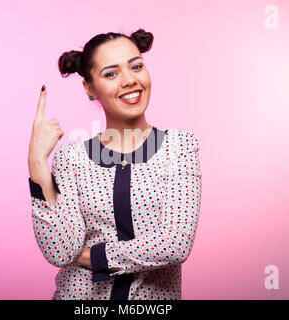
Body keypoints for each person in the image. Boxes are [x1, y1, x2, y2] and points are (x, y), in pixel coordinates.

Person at [27, 28, 202, 300]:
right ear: (89, 88)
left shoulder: (179, 147)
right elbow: (60, 251)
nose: (130, 80)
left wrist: (91, 258)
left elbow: (175, 243)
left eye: (136, 67)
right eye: (111, 73)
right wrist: (37, 161)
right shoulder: (71, 158)